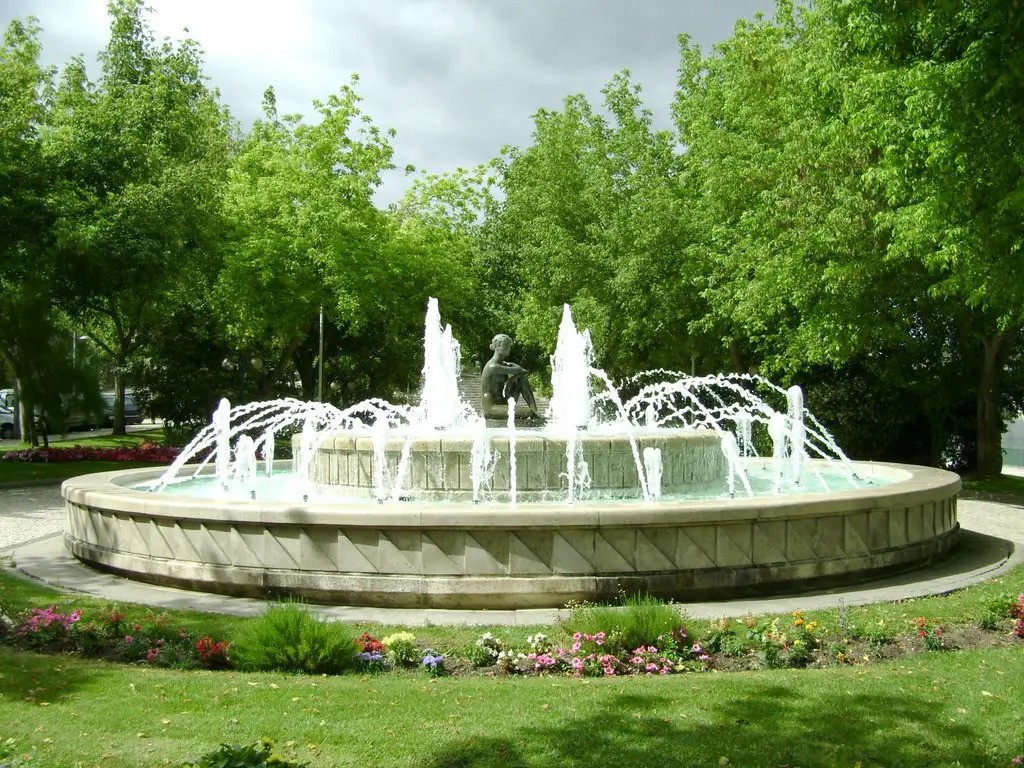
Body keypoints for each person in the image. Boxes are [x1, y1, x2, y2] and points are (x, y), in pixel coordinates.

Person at [481, 333, 540, 419]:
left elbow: (522, 372)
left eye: (509, 346)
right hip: (491, 408)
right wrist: (514, 373)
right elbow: (519, 370)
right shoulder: (492, 366)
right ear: (497, 347)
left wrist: (513, 378)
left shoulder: (502, 364)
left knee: (522, 378)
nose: (508, 348)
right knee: (529, 412)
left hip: (503, 402)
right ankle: (533, 412)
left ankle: (534, 409)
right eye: (506, 345)